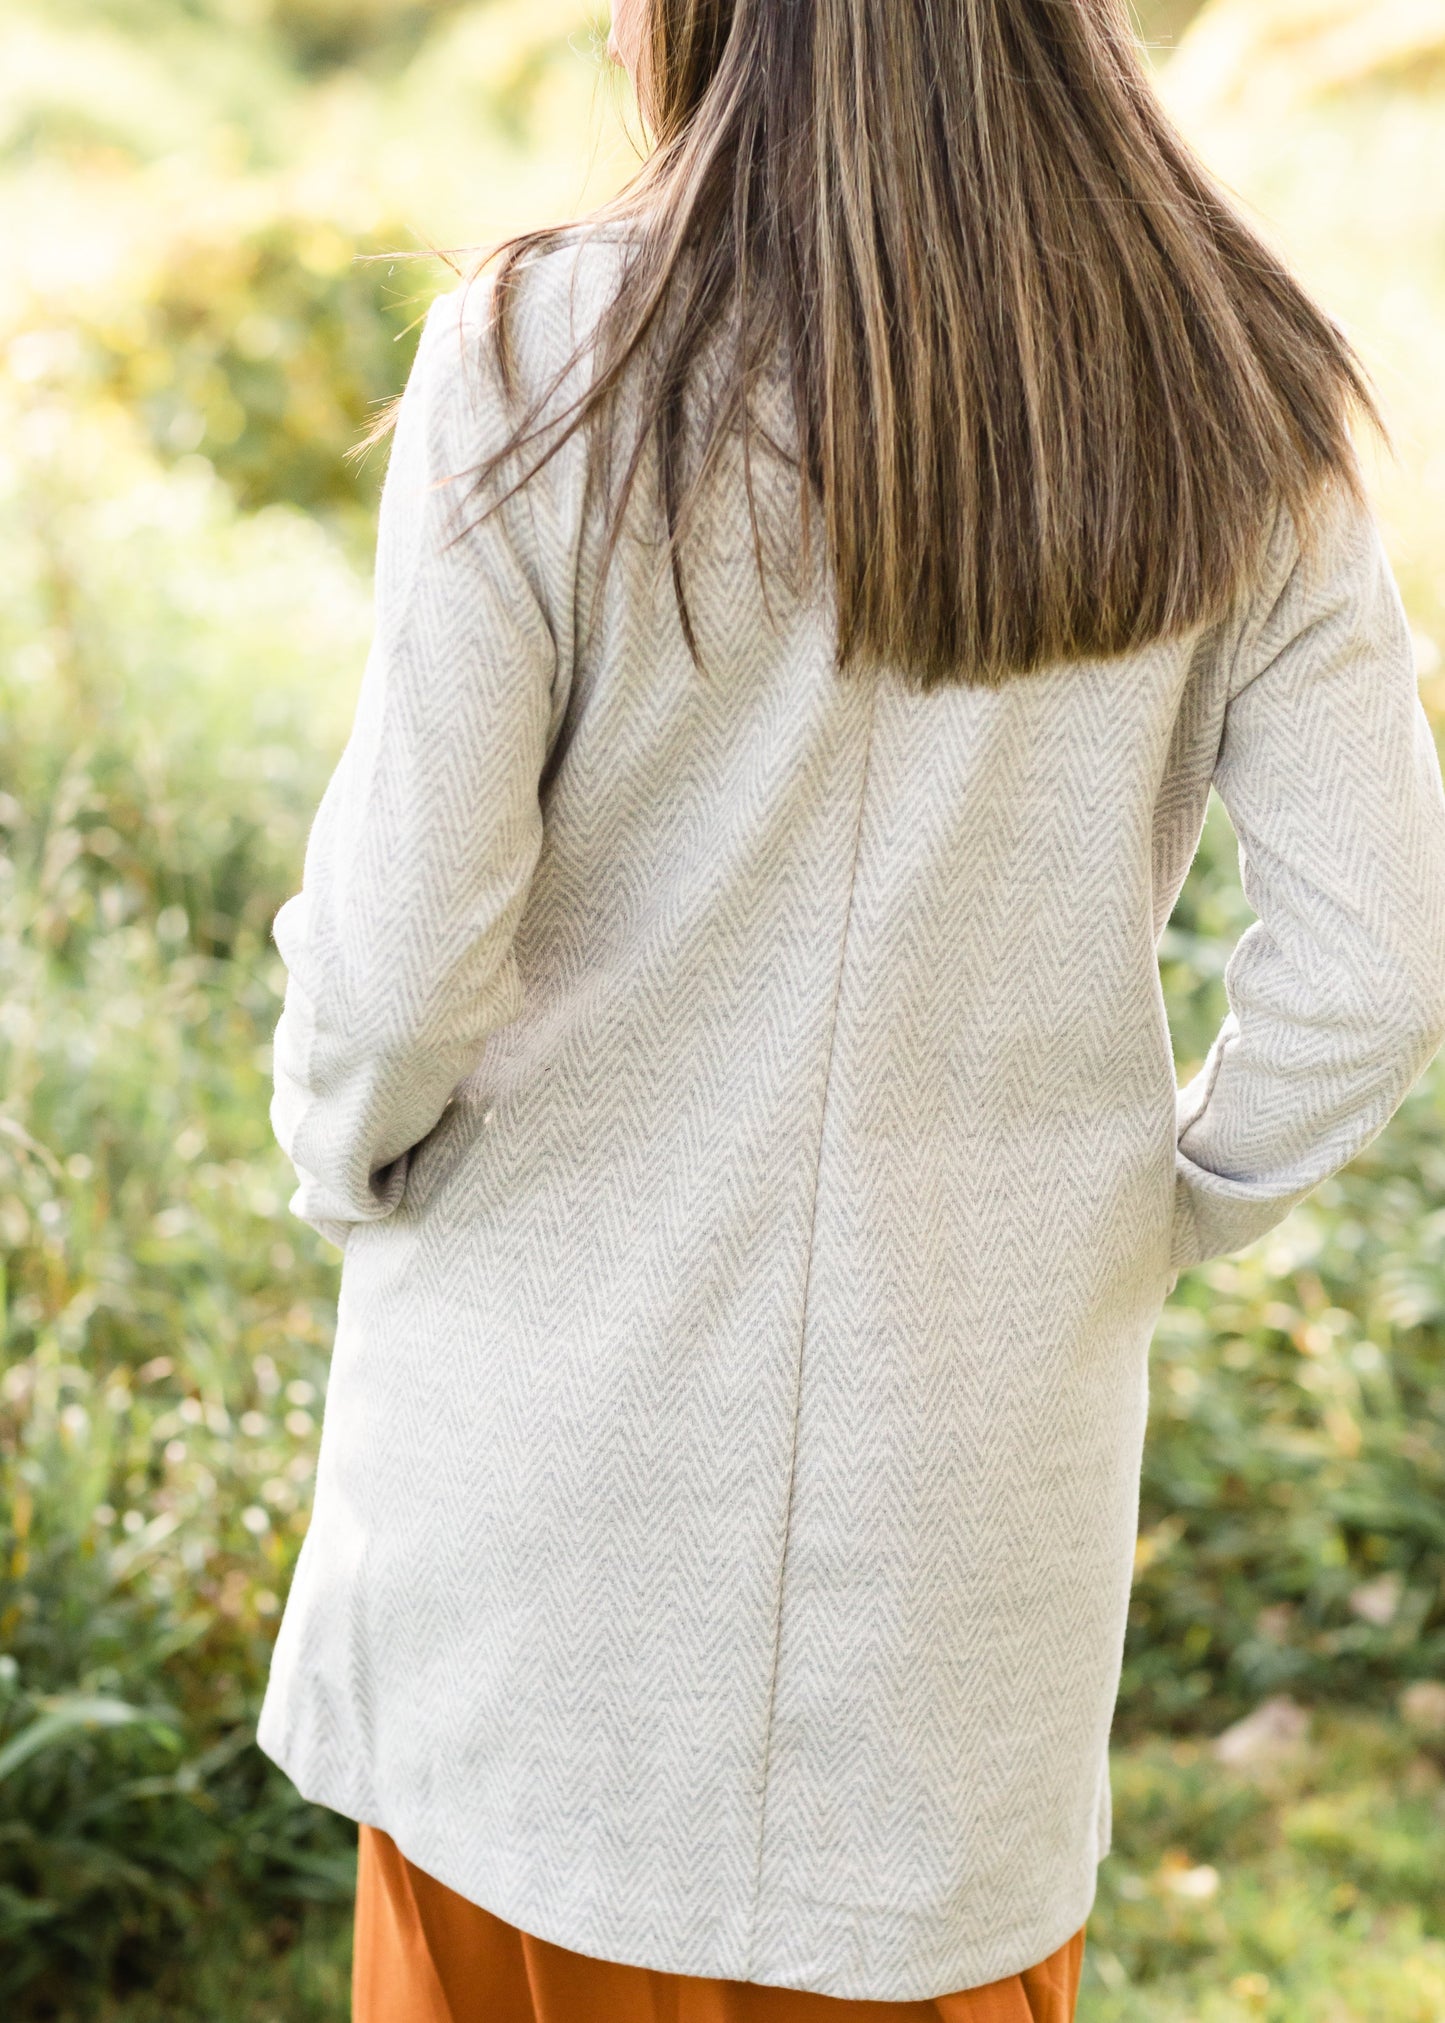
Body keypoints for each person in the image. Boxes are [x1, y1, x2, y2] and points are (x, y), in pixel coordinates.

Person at [256, 1, 1445, 2018]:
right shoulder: (1241, 381)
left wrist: (347, 1149)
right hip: (957, 1566)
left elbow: (394, 966)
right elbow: (1385, 961)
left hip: (541, 1539)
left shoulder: (546, 355)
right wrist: (1148, 1213)